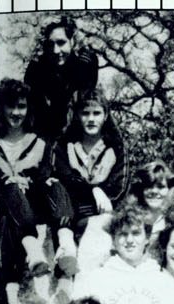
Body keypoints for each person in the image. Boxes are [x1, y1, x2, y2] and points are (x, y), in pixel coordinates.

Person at [49, 88, 129, 267]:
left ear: (106, 115)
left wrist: (103, 194)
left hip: (103, 214)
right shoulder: (63, 145)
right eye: (85, 113)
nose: (91, 119)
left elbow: (119, 187)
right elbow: (65, 180)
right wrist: (94, 189)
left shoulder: (116, 147)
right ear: (77, 116)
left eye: (97, 113)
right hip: (70, 214)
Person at [0, 78, 55, 281]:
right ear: (1, 108)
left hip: (34, 208)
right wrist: (9, 181)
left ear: (28, 108)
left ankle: (13, 278)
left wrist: (27, 181)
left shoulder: (40, 142)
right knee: (7, 195)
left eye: (21, 106)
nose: (16, 113)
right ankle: (30, 255)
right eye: (10, 106)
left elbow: (45, 174)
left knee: (12, 203)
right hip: (2, 206)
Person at [23, 15, 99, 142]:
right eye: (50, 44)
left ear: (72, 41)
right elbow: (36, 114)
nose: (56, 50)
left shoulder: (86, 61)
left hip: (78, 132)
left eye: (61, 43)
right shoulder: (36, 68)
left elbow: (85, 103)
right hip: (44, 134)